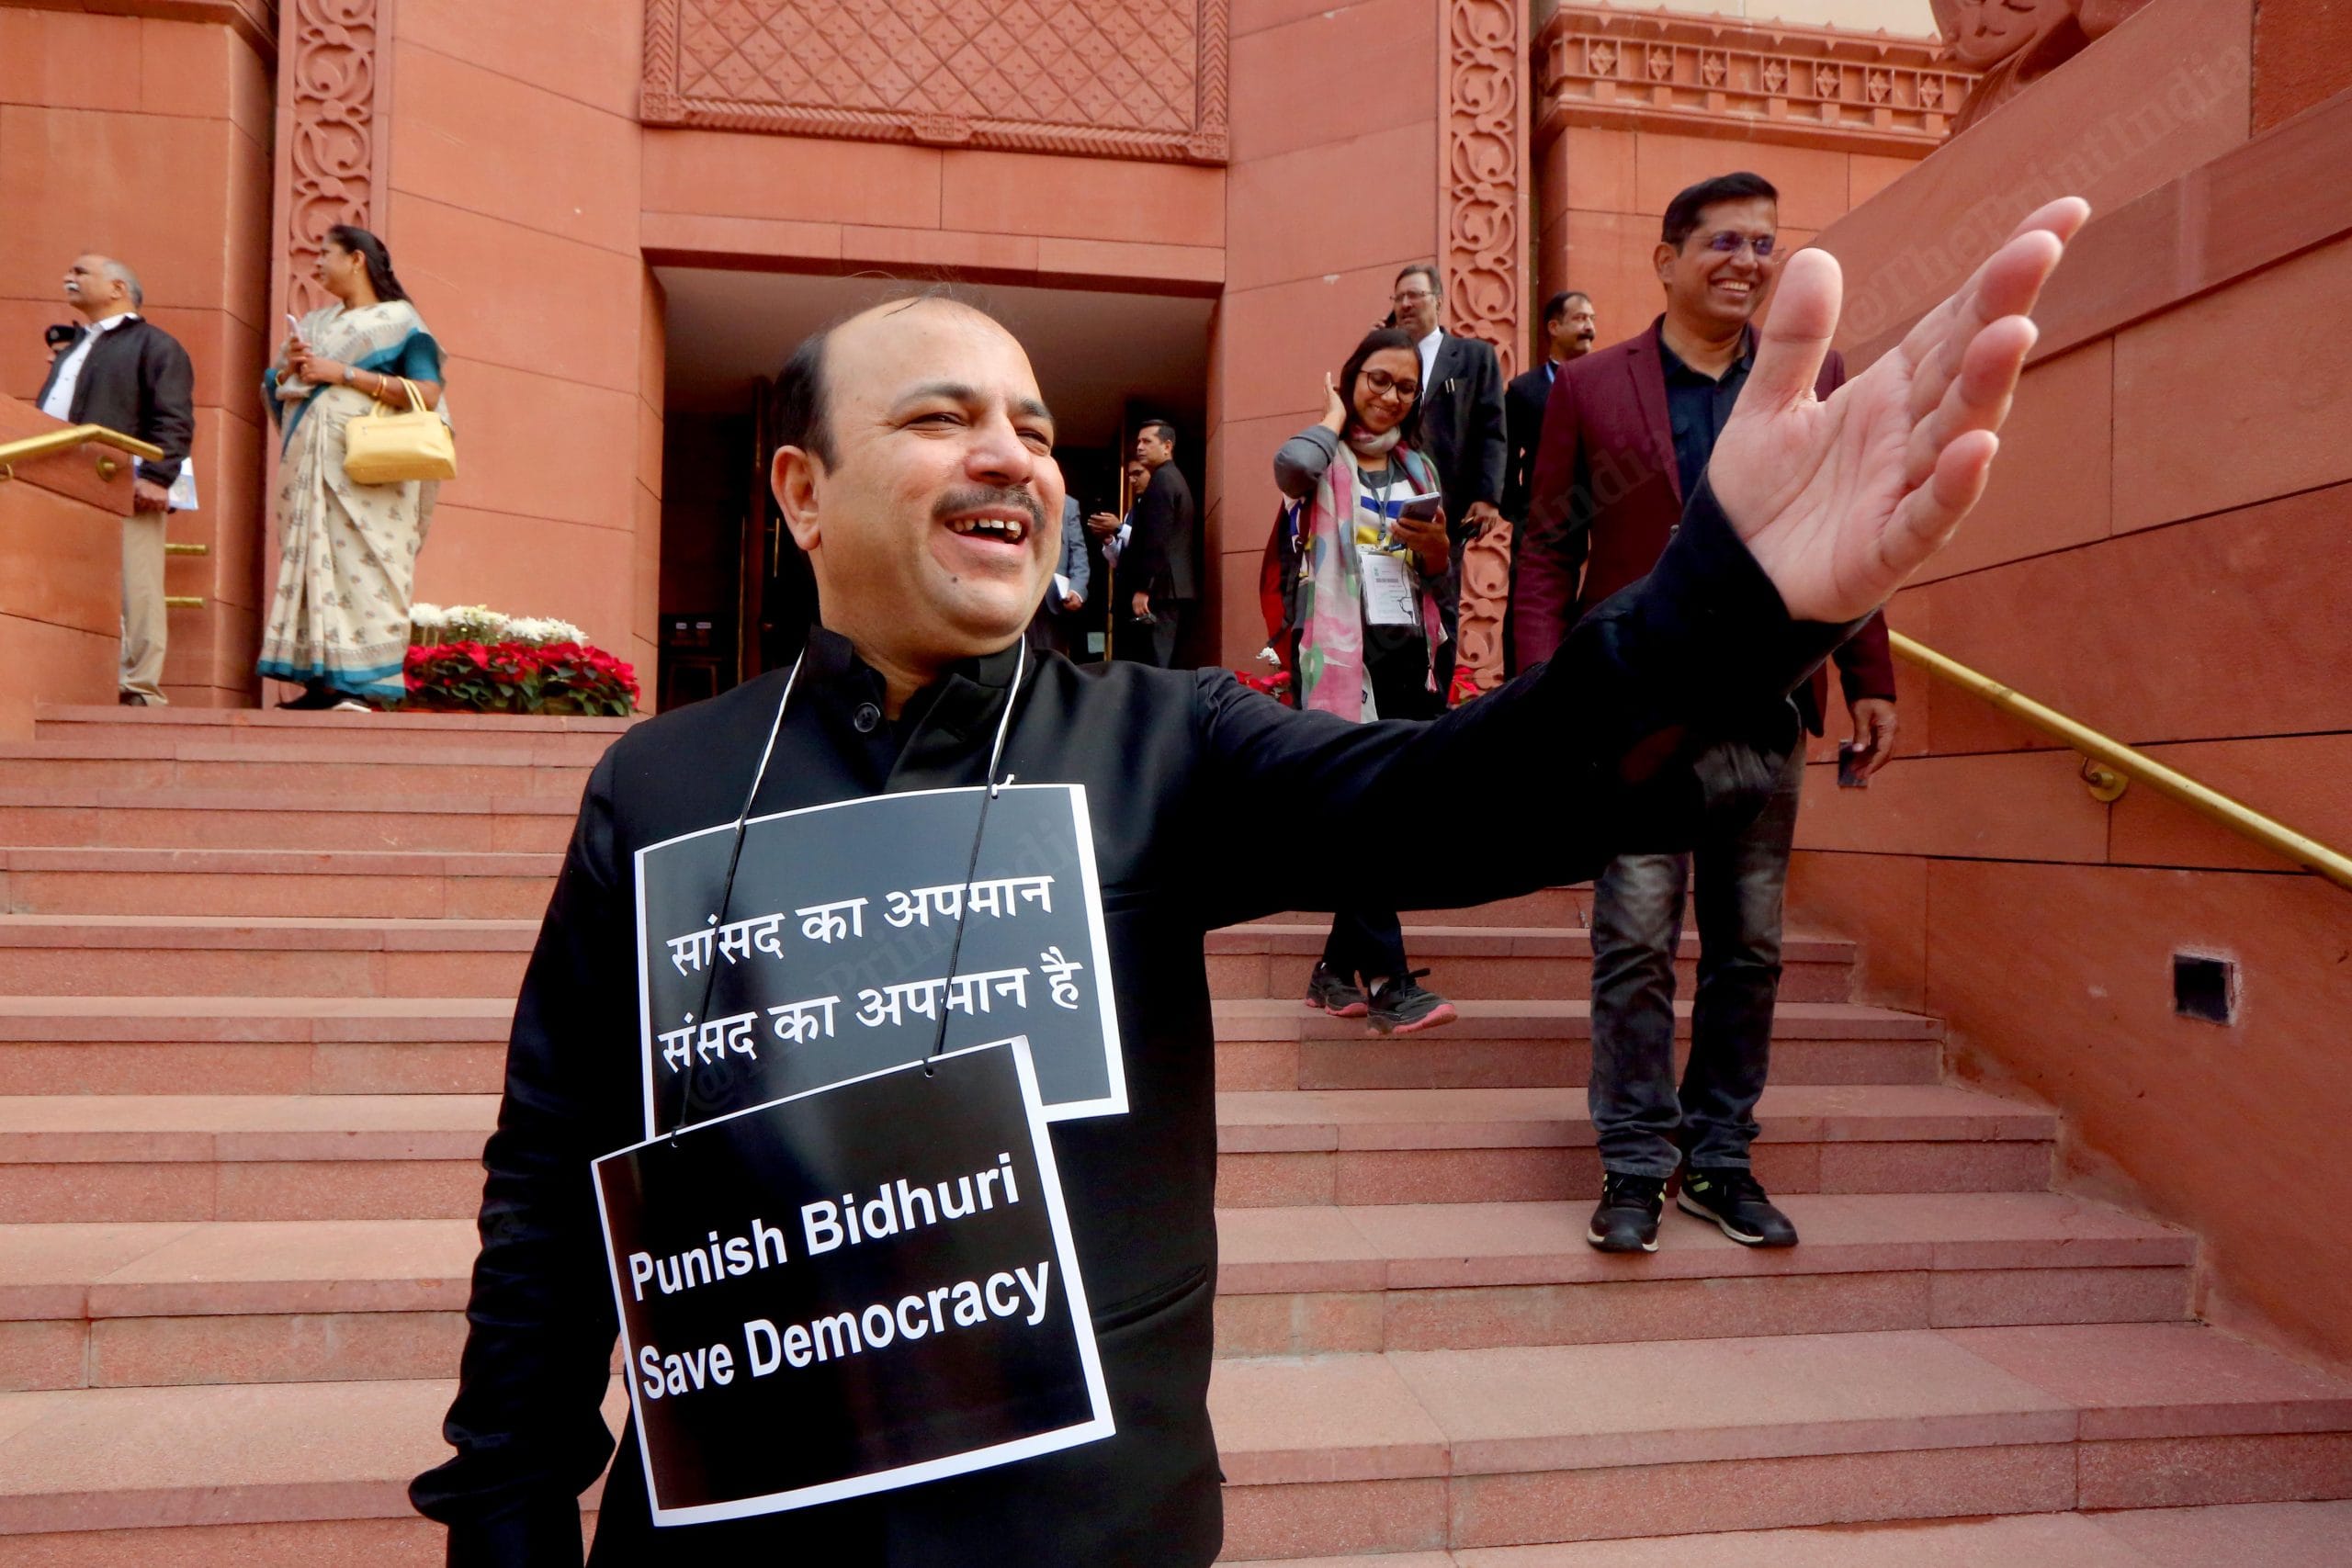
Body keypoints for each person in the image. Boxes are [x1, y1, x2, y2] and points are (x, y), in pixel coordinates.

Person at [410, 193, 2088, 1564]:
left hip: (1084, 1536)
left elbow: (1467, 804)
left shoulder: (1164, 743)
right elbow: (553, 1178)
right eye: (941, 418)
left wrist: (1727, 605)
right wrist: (501, 1515)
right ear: (801, 489)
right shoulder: (661, 785)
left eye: (1033, 427)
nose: (1013, 456)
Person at [1510, 172, 1904, 1258]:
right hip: (1636, 710)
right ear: (1668, 260)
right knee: (1634, 941)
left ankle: (1718, 1160)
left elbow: (1848, 531)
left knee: (1751, 949)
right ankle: (1635, 1162)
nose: (1747, 261)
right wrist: (1546, 698)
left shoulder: (1809, 378)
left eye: (1765, 243)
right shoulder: (1587, 388)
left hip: (1766, 708)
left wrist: (1869, 677)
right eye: (1723, 241)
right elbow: (1547, 553)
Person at [1269, 327, 1460, 1034]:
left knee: (1389, 821)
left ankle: (1330, 972)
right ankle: (1388, 980)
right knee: (1363, 815)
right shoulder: (1324, 461)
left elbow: (1446, 580)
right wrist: (1329, 416)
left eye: (1404, 387)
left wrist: (1438, 553)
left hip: (1408, 656)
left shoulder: (1420, 468)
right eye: (1377, 380)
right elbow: (1290, 467)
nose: (1389, 396)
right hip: (1339, 661)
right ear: (1352, 380)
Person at [258, 225, 449, 711]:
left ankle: (363, 687)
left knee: (366, 569)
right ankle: (320, 684)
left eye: (325, 253)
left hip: (369, 473)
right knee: (311, 565)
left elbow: (427, 394)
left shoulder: (402, 322)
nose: (316, 262)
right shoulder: (317, 322)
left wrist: (340, 373)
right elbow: (275, 387)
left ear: (358, 260)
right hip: (309, 467)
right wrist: (290, 370)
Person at [34, 254, 195, 707]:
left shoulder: (154, 345)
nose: (69, 277)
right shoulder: (77, 346)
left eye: (81, 272)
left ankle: (139, 687)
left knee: (135, 585)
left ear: (118, 288)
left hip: (123, 481)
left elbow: (174, 419)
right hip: (62, 480)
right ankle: (71, 677)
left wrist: (158, 477)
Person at [1388, 264, 1505, 693]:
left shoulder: (1474, 357)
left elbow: (1493, 429)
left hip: (1446, 503)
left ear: (1438, 299)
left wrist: (1488, 496)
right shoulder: (1386, 358)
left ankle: (1433, 699)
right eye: (1398, 297)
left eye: (1415, 295)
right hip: (1384, 498)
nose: (1405, 304)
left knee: (1442, 599)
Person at [1502, 290, 1598, 525]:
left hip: (1600, 516)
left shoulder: (1608, 383)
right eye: (1580, 318)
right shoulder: (1523, 389)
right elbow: (1507, 455)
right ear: (1554, 328)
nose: (1589, 327)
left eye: (1591, 319)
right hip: (1540, 520)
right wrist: (1519, 511)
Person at [1116, 420, 1195, 668]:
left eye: (1147, 441)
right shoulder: (1172, 478)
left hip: (1162, 591)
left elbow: (1156, 539)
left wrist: (1144, 588)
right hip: (1171, 589)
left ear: (1167, 446)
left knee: (1158, 664)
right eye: (1138, 441)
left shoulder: (1162, 481)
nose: (1139, 447)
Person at [1025, 493, 1091, 653]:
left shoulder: (1068, 504)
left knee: (1048, 660)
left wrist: (1076, 589)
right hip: (1017, 597)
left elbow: (1077, 551)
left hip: (1052, 600)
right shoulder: (1013, 496)